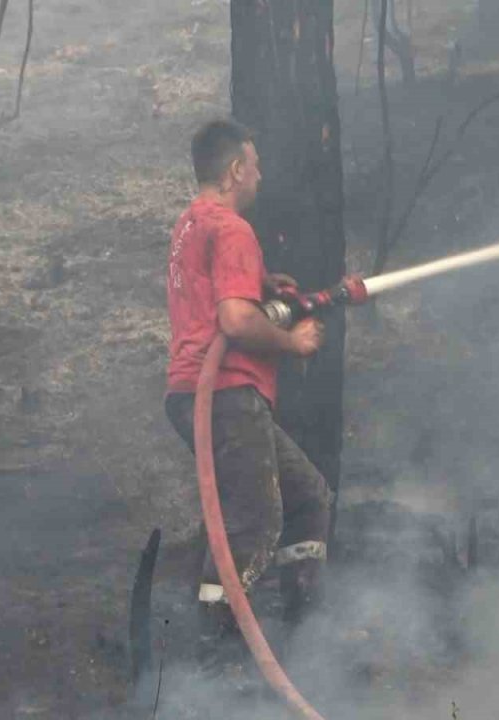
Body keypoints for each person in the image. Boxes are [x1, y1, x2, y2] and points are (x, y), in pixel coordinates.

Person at [163, 119, 333, 655]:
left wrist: (259, 282)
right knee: (254, 523)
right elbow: (235, 322)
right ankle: (214, 658)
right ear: (236, 169)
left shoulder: (193, 223)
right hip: (226, 395)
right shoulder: (233, 228)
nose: (259, 176)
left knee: (309, 497)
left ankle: (303, 636)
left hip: (198, 396)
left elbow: (217, 293)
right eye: (255, 166)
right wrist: (293, 342)